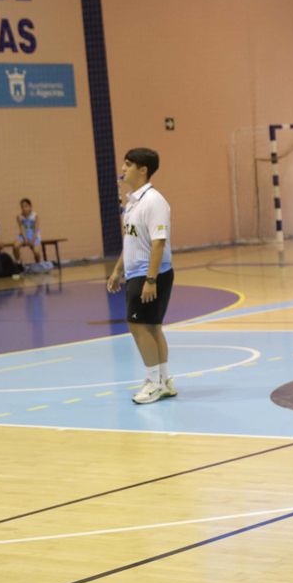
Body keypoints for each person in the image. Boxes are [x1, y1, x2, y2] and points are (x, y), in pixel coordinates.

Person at [106, 147, 176, 404]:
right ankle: (164, 381)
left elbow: (158, 242)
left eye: (128, 164)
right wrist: (117, 270)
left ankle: (153, 382)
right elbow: (131, 240)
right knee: (153, 327)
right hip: (137, 273)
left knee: (138, 326)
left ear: (143, 170)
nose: (123, 169)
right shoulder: (133, 203)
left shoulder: (154, 201)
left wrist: (150, 279)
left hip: (149, 273)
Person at [11, 197, 43, 265]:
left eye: (26, 206)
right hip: (24, 234)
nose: (24, 208)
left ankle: (38, 264)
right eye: (22, 207)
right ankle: (19, 262)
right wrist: (25, 239)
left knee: (36, 252)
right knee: (15, 246)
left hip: (34, 235)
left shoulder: (35, 216)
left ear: (30, 207)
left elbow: (36, 229)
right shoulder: (19, 216)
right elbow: (22, 228)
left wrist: (33, 240)